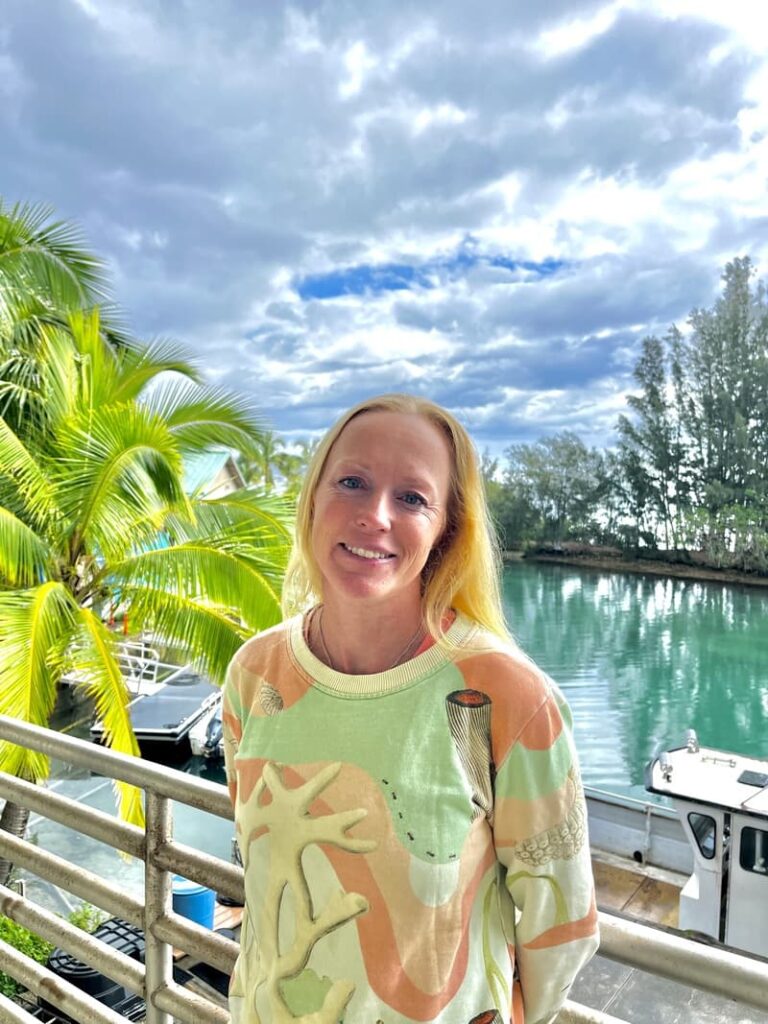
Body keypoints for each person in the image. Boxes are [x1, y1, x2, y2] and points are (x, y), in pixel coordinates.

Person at [222, 393, 598, 1024]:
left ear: (446, 530)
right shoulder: (255, 674)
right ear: (312, 498)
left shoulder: (507, 697)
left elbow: (559, 926)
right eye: (352, 481)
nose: (374, 515)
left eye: (412, 498)